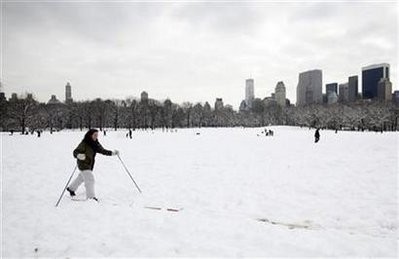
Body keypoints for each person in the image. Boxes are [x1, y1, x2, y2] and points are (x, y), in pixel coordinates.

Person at [67, 129, 119, 201]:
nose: (96, 137)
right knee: (90, 179)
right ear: (90, 135)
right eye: (94, 135)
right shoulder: (84, 143)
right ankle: (91, 197)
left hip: (89, 164)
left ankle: (71, 188)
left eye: (97, 135)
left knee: (81, 177)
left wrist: (112, 153)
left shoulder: (95, 143)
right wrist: (79, 155)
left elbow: (102, 150)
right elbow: (75, 152)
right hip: (83, 164)